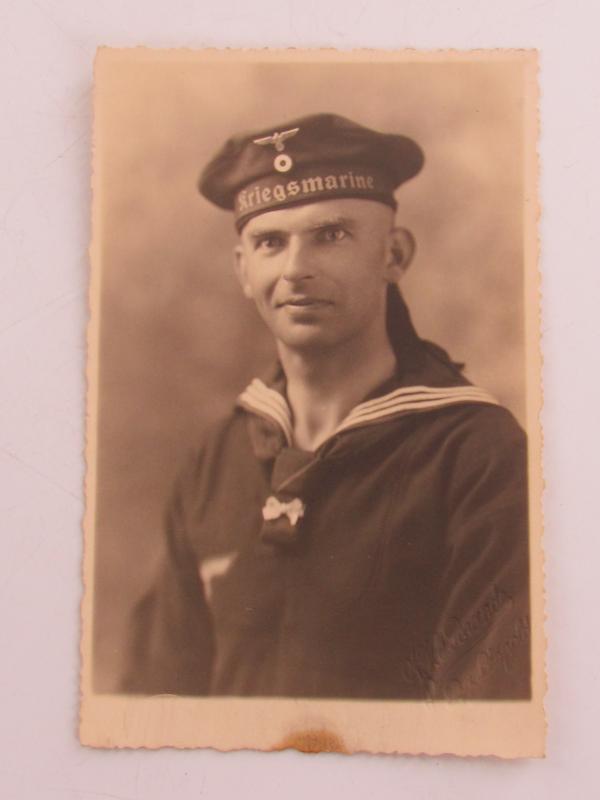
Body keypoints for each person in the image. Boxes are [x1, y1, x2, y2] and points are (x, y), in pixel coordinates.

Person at [121, 113, 530, 700]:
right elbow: (154, 702)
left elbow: (487, 717)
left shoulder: (477, 457)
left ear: (394, 255)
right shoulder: (215, 462)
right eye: (270, 243)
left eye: (331, 235)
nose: (295, 269)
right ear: (243, 269)